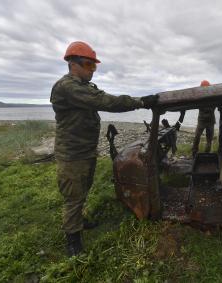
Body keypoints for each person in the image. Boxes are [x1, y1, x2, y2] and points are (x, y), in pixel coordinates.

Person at [50, 41, 158, 256]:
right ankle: (73, 239)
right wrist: (141, 102)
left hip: (85, 150)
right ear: (74, 64)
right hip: (72, 154)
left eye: (94, 67)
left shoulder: (83, 87)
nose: (93, 71)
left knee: (84, 188)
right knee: (73, 196)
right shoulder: (67, 87)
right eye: (89, 65)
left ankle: (79, 220)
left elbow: (101, 98)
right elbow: (106, 101)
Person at [191, 80, 216, 157]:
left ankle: (206, 154)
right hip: (202, 120)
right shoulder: (200, 96)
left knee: (209, 139)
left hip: (210, 121)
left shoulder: (213, 96)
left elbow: (215, 106)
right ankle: (194, 153)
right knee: (197, 137)